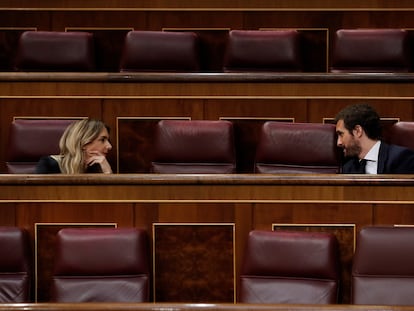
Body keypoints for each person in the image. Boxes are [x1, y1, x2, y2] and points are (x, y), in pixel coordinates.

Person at [335, 103, 414, 174]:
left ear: (357, 131)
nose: (339, 143)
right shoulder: (349, 168)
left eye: (341, 134)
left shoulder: (401, 158)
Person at [35, 118, 113, 174]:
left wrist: (107, 173)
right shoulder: (49, 165)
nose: (109, 146)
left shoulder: (101, 166)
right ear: (83, 143)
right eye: (102, 140)